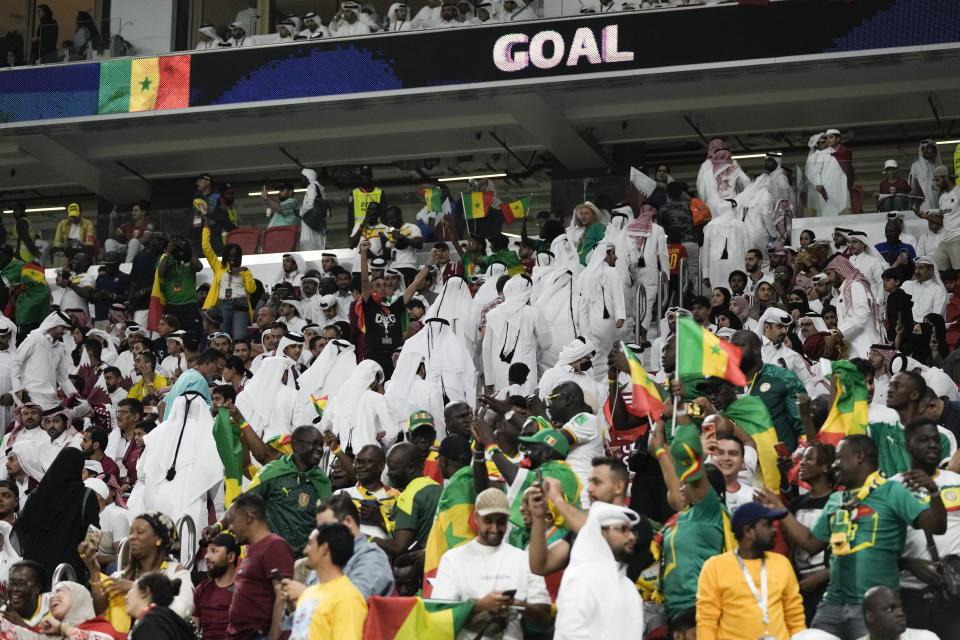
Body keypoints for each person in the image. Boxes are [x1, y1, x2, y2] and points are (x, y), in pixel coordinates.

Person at [754, 435, 946, 639]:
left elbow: (936, 525)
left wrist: (933, 492)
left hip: (873, 607)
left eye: (839, 458)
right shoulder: (837, 499)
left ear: (859, 457)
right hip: (832, 603)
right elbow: (811, 544)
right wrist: (780, 509)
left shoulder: (892, 491)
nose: (834, 465)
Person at [431, 488, 551, 640]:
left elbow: (545, 617)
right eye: (488, 521)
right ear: (476, 517)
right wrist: (481, 605)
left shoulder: (524, 560)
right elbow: (440, 614)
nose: (495, 529)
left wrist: (517, 604)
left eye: (500, 522)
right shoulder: (453, 559)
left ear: (508, 520)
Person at [696, 501, 806, 639]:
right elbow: (707, 621)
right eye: (768, 525)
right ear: (748, 531)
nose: (775, 530)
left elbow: (795, 616)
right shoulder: (714, 567)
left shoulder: (782, 563)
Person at [892, 419, 960, 638]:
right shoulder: (890, 489)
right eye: (924, 439)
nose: (933, 444)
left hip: (956, 593)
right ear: (907, 446)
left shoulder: (957, 482)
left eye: (935, 440)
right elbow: (875, 546)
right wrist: (906, 563)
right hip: (911, 596)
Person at [81, 511, 193, 633]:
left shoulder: (175, 572)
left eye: (139, 532)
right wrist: (94, 571)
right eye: (131, 533)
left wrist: (136, 587)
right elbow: (98, 611)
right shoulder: (121, 576)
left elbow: (182, 610)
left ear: (159, 539)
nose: (132, 537)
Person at [554, 502, 644, 640]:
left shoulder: (628, 587)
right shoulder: (582, 576)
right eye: (623, 529)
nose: (632, 537)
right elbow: (570, 633)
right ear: (602, 534)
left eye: (632, 530)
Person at [14, 448, 98, 582]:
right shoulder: (87, 496)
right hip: (69, 567)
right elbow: (93, 532)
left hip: (36, 566)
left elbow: (23, 528)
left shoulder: (37, 494)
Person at [223, 493, 294, 640]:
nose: (229, 528)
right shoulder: (254, 549)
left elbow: (282, 599)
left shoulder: (275, 546)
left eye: (232, 521)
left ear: (248, 517)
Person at [281, 523, 367, 640]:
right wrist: (291, 605)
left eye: (310, 544)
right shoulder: (311, 591)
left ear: (324, 549)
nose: (305, 551)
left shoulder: (348, 598)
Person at [309, 494, 394, 599]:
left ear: (348, 522)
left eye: (325, 527)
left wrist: (306, 595)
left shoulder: (373, 557)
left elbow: (355, 600)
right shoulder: (325, 558)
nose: (321, 534)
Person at [788, 441, 836, 625]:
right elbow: (793, 548)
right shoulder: (796, 504)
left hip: (829, 589)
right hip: (801, 589)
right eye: (802, 458)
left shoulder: (837, 501)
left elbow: (847, 552)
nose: (803, 463)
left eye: (809, 458)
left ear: (825, 467)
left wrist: (819, 578)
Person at [373, 442, 441, 557]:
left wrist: (366, 538)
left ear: (410, 468)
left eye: (393, 469)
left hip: (421, 567)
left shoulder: (408, 497)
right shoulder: (438, 487)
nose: (389, 473)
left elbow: (399, 547)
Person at [12, 311, 76, 408]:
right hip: (31, 398)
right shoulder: (35, 339)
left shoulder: (60, 348)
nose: (65, 332)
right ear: (54, 324)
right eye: (63, 327)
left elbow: (63, 378)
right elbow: (16, 362)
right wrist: (17, 388)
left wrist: (74, 397)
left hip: (51, 401)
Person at [192, 532, 239, 640]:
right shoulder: (201, 590)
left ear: (231, 557)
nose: (206, 556)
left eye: (214, 551)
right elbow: (192, 630)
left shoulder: (246, 590)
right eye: (207, 551)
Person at [125, 573, 195, 640]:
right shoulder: (161, 618)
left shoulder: (150, 623)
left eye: (131, 589)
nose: (126, 597)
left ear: (145, 591)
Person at [860, 585, 939, 640]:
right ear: (870, 617)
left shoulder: (925, 638)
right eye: (890, 609)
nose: (900, 613)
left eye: (900, 607)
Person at [4, 561, 51, 628]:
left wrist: (22, 625)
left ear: (38, 587)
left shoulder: (54, 604)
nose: (14, 589)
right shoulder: (4, 614)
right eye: (11, 583)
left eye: (22, 584)